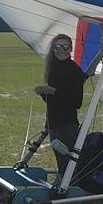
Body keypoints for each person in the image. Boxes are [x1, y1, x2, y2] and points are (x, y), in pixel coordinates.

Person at [35, 34, 86, 178]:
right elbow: (54, 101)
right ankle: (64, 184)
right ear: (53, 49)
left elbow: (76, 102)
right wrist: (44, 93)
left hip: (67, 125)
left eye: (65, 47)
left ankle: (71, 190)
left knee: (68, 162)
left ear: (70, 49)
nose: (61, 50)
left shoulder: (74, 71)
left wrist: (53, 91)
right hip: (53, 122)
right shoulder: (54, 68)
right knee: (61, 160)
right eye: (57, 47)